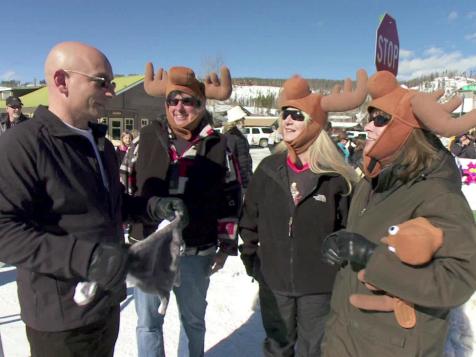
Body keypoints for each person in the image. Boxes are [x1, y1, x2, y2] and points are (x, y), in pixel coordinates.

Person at [0, 41, 185, 357]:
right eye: (102, 82)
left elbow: (108, 206)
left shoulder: (100, 145)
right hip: (61, 319)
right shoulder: (24, 144)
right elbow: (5, 231)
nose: (111, 92)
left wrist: (152, 207)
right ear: (62, 81)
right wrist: (88, 259)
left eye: (112, 83)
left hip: (105, 306)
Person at [321, 71, 476, 357]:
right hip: (343, 336)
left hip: (393, 346)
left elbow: (458, 280)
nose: (367, 127)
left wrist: (371, 257)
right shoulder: (370, 183)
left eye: (380, 119)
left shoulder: (438, 193)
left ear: (405, 129)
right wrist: (342, 242)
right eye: (369, 117)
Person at [239, 70, 367, 356]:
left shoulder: (337, 180)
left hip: (318, 287)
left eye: (297, 115)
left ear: (314, 124)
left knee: (314, 350)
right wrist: (252, 260)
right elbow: (249, 220)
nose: (287, 120)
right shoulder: (269, 169)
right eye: (284, 113)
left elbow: (348, 231)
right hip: (274, 282)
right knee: (277, 348)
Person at [121, 63, 242, 357]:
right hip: (149, 249)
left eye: (188, 100)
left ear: (201, 105)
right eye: (172, 100)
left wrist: (226, 245)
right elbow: (124, 186)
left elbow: (231, 197)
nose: (179, 107)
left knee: (193, 321)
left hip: (196, 251)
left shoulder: (220, 145)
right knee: (148, 323)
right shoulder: (145, 138)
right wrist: (125, 232)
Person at [225, 106, 253, 190]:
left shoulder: (237, 134)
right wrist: (244, 179)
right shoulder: (231, 136)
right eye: (242, 118)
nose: (244, 120)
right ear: (237, 120)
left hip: (245, 175)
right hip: (240, 178)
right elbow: (231, 159)